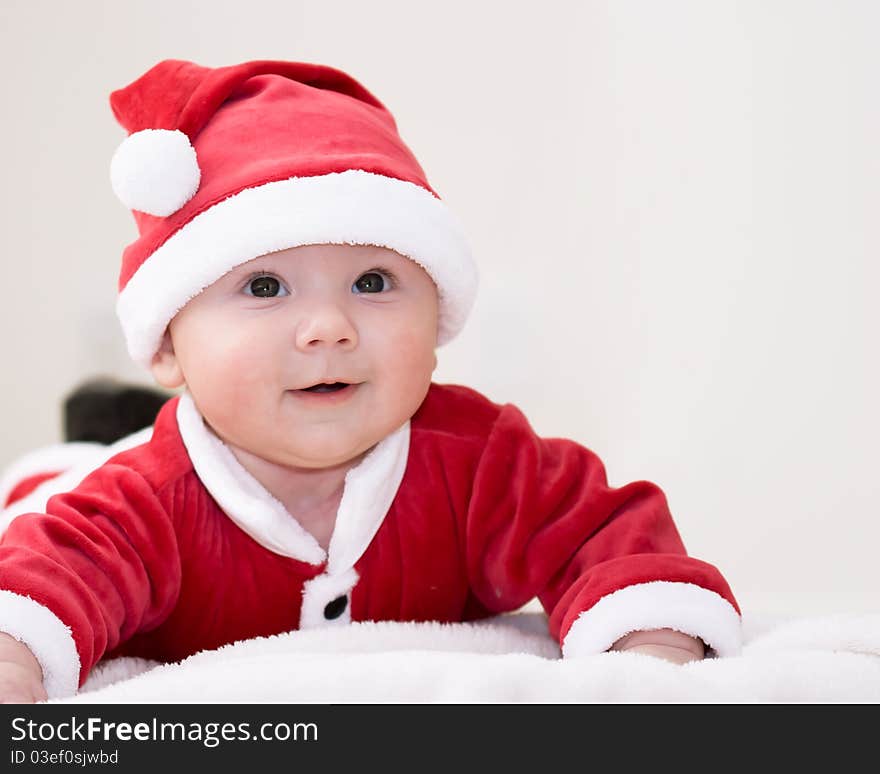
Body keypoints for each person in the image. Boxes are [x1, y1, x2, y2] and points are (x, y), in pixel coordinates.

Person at [0, 58, 741, 703]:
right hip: (86, 472)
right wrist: (16, 655)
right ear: (166, 346)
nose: (329, 328)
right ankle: (95, 427)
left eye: (374, 281)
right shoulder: (143, 504)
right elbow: (48, 579)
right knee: (56, 478)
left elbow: (604, 533)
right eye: (264, 288)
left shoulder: (482, 461)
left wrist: (652, 647)